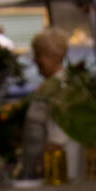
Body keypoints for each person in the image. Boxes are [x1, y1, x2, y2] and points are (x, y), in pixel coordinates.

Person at [21, 28, 69, 179]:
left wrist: (43, 167)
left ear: (54, 57)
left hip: (48, 172)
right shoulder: (50, 86)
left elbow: (57, 136)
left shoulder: (59, 88)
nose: (35, 60)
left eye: (38, 55)